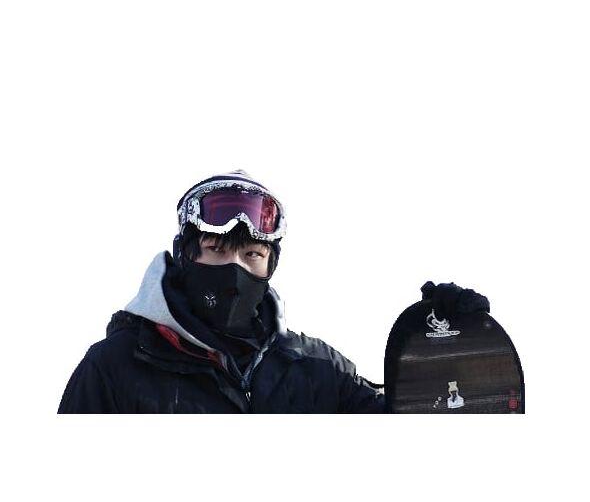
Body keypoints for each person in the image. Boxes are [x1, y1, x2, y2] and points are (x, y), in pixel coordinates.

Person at [58, 170, 489, 413]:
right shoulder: (115, 367)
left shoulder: (317, 370)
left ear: (270, 267)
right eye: (216, 249)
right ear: (185, 255)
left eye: (252, 255)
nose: (235, 269)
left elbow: (409, 424)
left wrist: (444, 348)